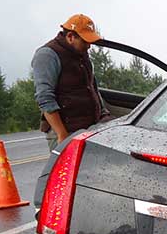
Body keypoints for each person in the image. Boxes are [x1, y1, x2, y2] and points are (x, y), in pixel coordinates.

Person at [32, 14, 111, 150]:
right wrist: (62, 135)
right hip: (66, 131)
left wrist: (103, 114)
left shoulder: (81, 55)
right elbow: (44, 98)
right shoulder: (47, 55)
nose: (89, 46)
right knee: (68, 171)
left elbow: (91, 87)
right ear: (70, 37)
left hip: (88, 129)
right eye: (85, 41)